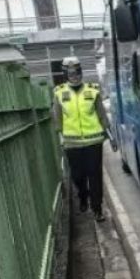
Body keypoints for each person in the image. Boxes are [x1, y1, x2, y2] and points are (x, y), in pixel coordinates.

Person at [53, 56, 112, 220]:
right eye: (71, 73)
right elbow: (58, 119)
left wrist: (110, 134)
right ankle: (83, 194)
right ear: (66, 74)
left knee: (95, 175)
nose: (75, 75)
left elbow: (101, 115)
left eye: (77, 72)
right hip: (72, 144)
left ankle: (97, 208)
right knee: (78, 176)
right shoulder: (59, 93)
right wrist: (60, 138)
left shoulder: (93, 91)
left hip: (94, 142)